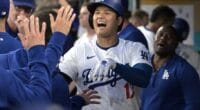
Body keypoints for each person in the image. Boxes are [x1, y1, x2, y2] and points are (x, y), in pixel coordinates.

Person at [59, 0, 152, 110]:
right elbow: (56, 83)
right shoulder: (78, 51)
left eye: (107, 13)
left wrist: (116, 66)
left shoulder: (134, 48)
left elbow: (144, 78)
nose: (100, 16)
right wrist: (74, 101)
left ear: (119, 20)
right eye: (97, 13)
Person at [140, 25, 200, 110]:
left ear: (175, 44)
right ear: (155, 38)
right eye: (160, 35)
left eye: (168, 37)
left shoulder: (185, 70)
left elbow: (194, 105)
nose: (163, 38)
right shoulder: (143, 64)